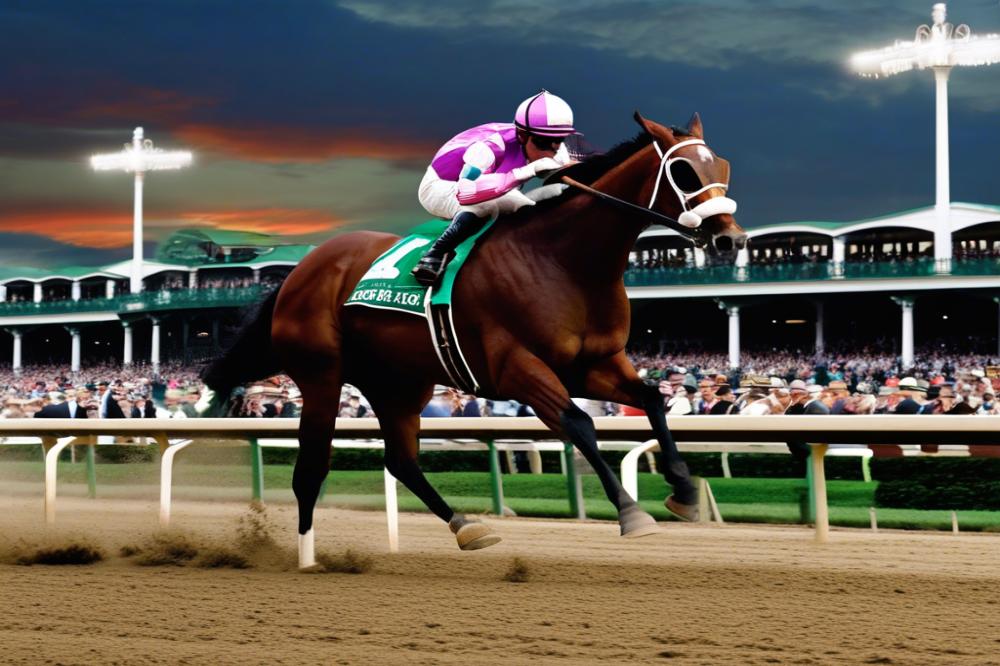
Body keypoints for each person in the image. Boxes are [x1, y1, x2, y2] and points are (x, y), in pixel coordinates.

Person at [411, 90, 578, 285]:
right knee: (487, 206)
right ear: (523, 136)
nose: (553, 149)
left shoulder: (555, 148)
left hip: (493, 189)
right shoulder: (489, 147)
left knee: (531, 207)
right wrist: (525, 172)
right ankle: (433, 256)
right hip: (443, 186)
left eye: (559, 140)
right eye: (542, 142)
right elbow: (466, 193)